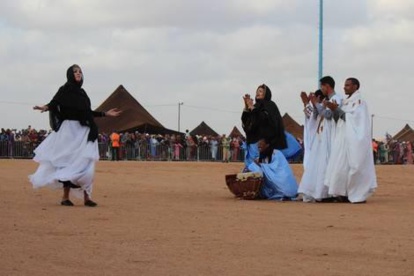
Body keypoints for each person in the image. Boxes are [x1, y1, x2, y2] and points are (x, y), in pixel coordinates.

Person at [29, 64, 121, 207]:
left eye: (80, 72)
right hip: (68, 132)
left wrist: (105, 114)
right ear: (70, 74)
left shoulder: (83, 94)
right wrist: (46, 107)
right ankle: (65, 197)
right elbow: (54, 103)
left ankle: (87, 197)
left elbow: (88, 113)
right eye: (75, 72)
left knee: (86, 164)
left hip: (84, 131)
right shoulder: (64, 90)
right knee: (67, 162)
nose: (78, 74)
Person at [324, 77, 377, 203]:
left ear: (355, 87)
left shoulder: (359, 102)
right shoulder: (346, 101)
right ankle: (343, 193)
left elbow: (355, 120)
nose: (344, 87)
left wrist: (336, 109)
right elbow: (340, 119)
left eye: (348, 85)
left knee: (355, 165)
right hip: (343, 138)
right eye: (344, 85)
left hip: (354, 140)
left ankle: (357, 194)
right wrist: (334, 110)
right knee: (341, 166)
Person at [298, 77, 344, 202]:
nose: (321, 89)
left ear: (326, 86)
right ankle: (322, 193)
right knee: (322, 165)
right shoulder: (328, 100)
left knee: (327, 164)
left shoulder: (337, 99)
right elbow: (315, 115)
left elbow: (328, 115)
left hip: (331, 136)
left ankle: (329, 193)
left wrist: (316, 104)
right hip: (323, 137)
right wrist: (310, 104)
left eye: (322, 86)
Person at [241, 84, 287, 167]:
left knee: (259, 169)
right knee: (250, 172)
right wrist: (247, 107)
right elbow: (246, 123)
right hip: (252, 144)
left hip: (263, 144)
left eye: (260, 91)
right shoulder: (255, 106)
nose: (257, 93)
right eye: (257, 91)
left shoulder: (270, 105)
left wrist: (252, 108)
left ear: (266, 93)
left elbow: (264, 119)